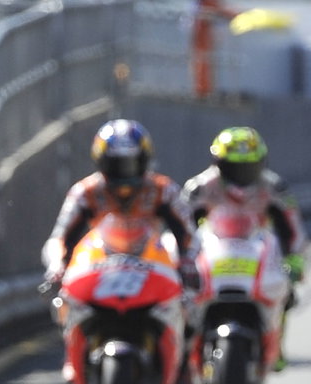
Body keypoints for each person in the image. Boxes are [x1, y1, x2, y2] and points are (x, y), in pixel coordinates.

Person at [42, 119, 198, 317]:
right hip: (98, 269)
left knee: (187, 313)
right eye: (116, 165)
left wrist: (187, 263)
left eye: (131, 164)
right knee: (67, 311)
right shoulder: (85, 192)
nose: (125, 172)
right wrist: (57, 265)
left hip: (152, 267)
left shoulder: (163, 190)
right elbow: (59, 238)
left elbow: (188, 234)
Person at [181, 126, 308, 366]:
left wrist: (294, 258)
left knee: (287, 293)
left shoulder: (274, 187)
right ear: (218, 162)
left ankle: (276, 343)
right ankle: (185, 345)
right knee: (182, 292)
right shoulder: (199, 187)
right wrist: (181, 259)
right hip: (214, 249)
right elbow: (181, 225)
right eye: (233, 167)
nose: (241, 174)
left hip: (257, 248)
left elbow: (291, 226)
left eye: (248, 166)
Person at [189, 0, 238, 99]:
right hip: (201, 38)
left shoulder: (202, 3)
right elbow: (225, 11)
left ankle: (203, 91)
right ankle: (202, 92)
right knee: (202, 64)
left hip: (204, 39)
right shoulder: (204, 3)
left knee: (204, 64)